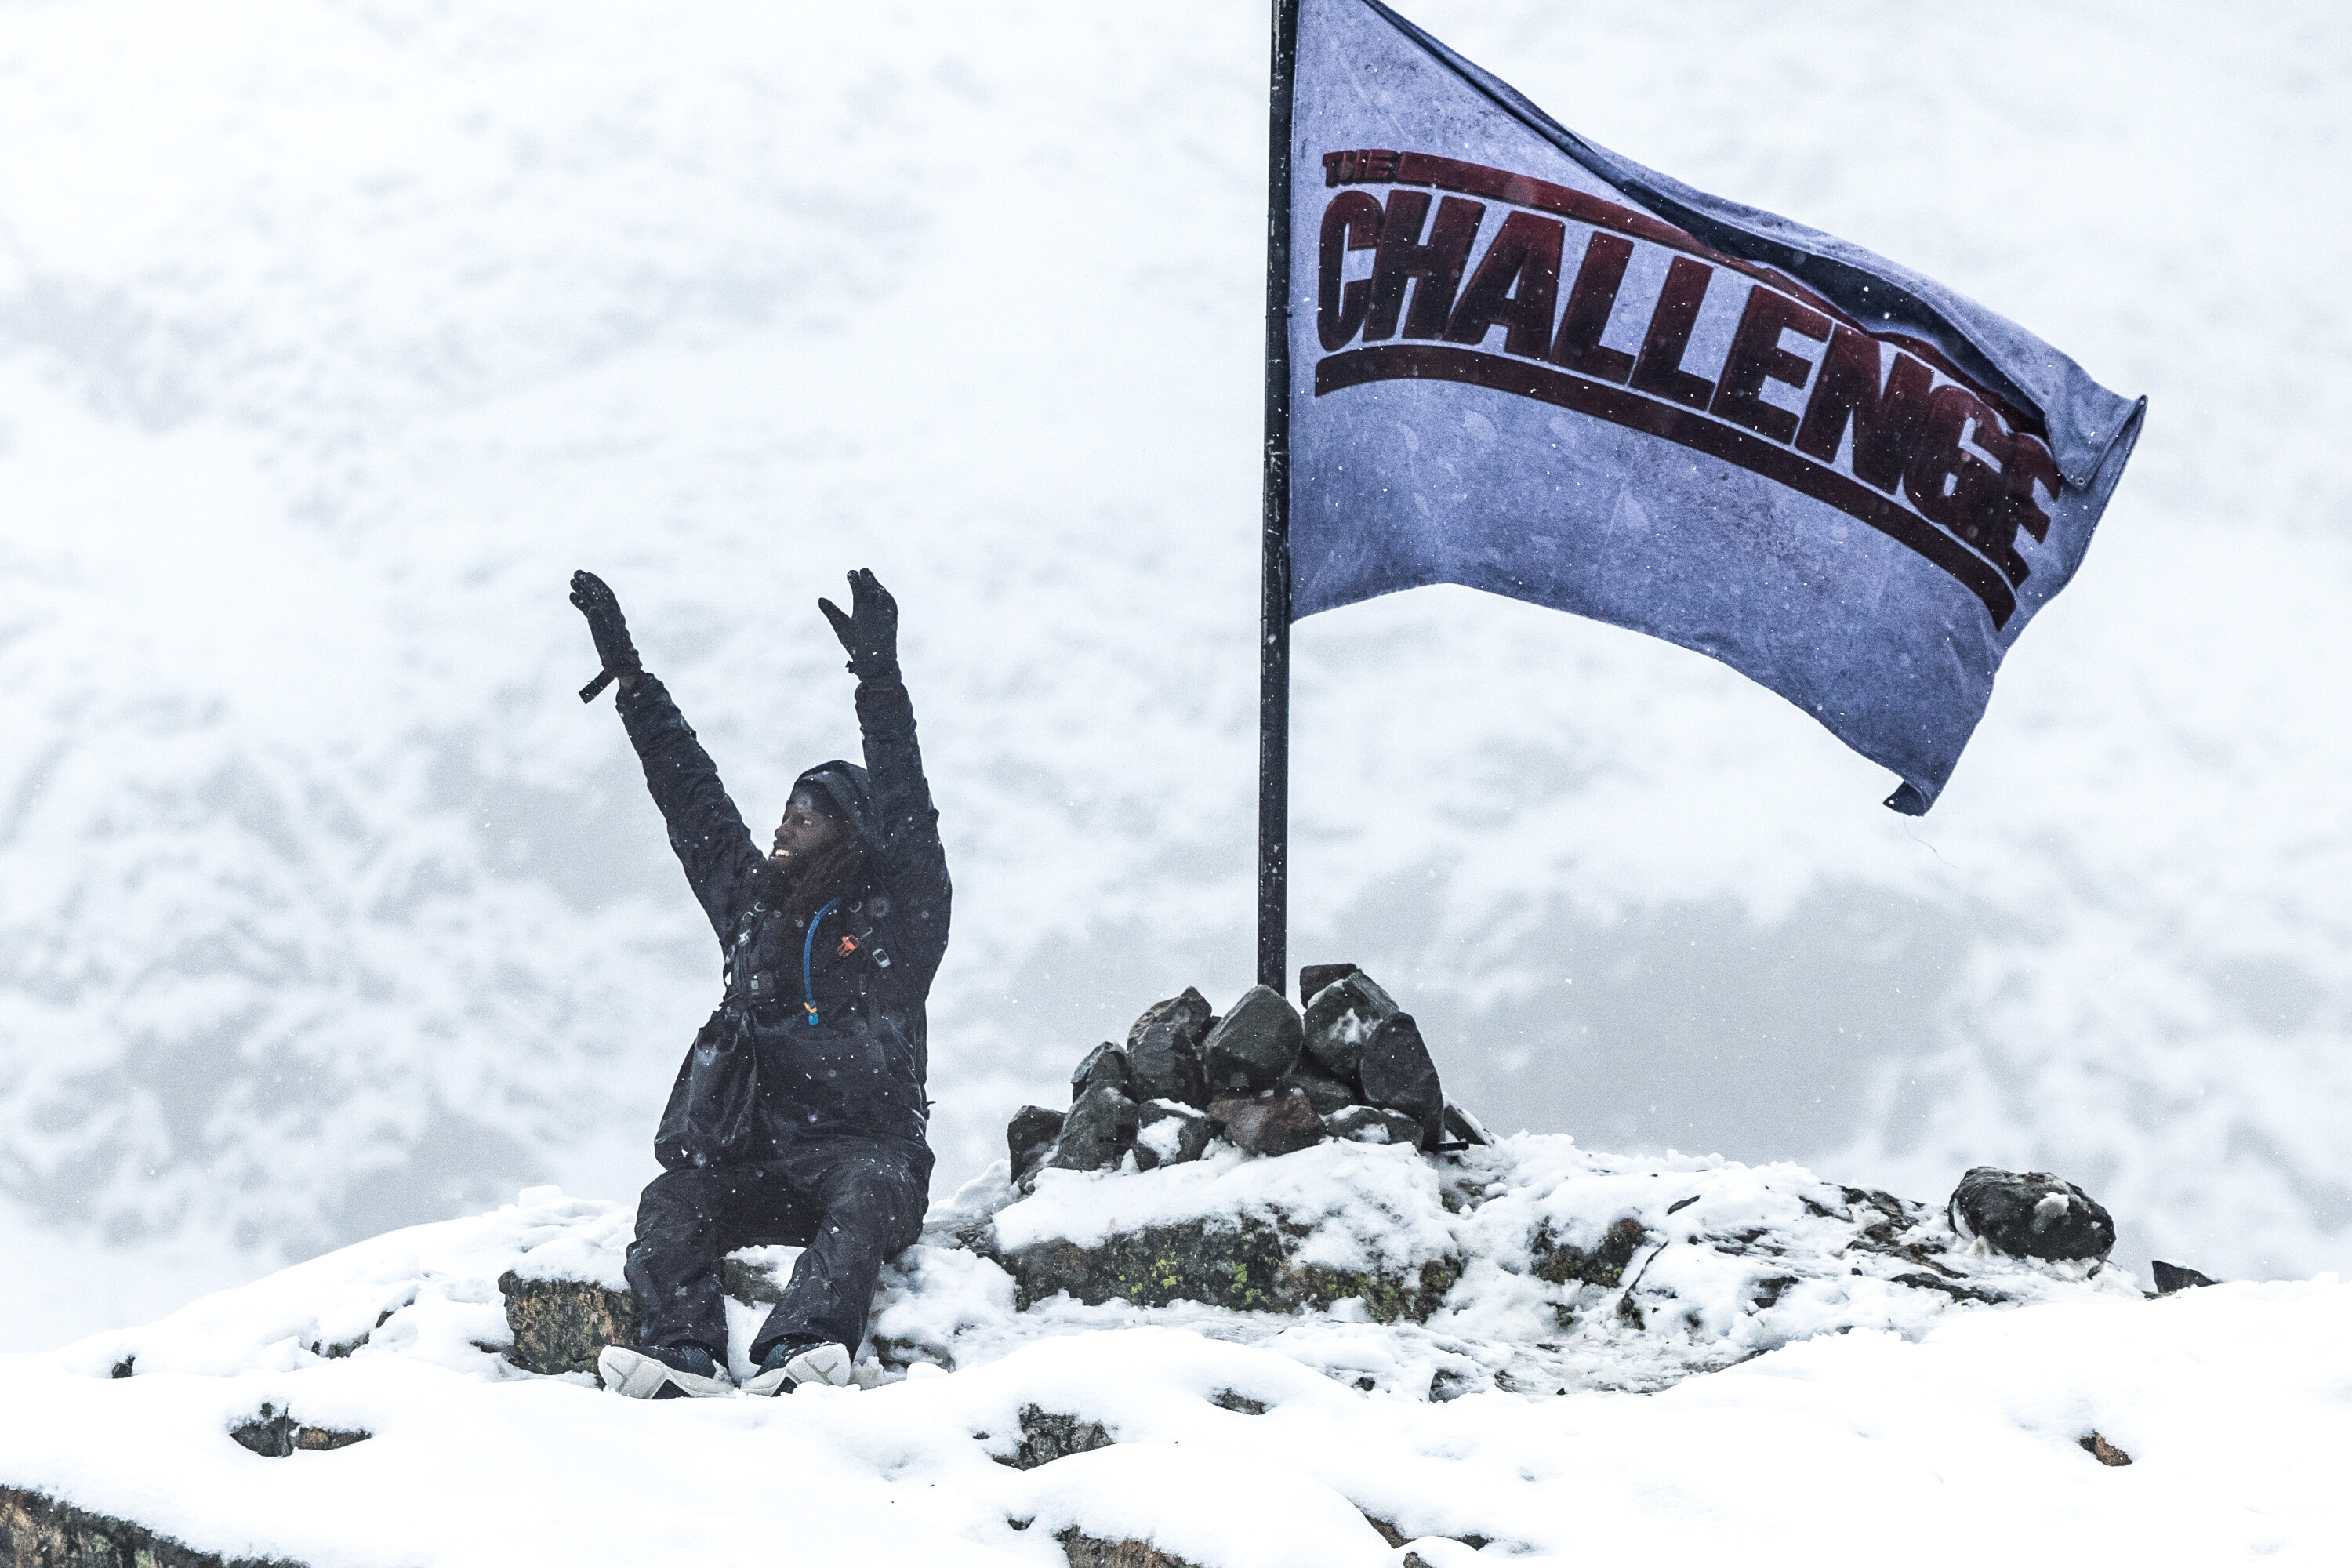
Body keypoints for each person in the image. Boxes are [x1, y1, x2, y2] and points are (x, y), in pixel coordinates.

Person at [566, 567, 949, 1399]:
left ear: (846, 834)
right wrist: (633, 680)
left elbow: (911, 811)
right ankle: (685, 1356)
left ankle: (801, 1352)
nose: (781, 826)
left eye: (803, 816)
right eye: (783, 811)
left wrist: (878, 681)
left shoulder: (899, 918)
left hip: (869, 1155)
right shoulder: (752, 910)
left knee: (863, 1196)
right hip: (765, 1161)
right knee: (673, 1197)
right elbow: (691, 795)